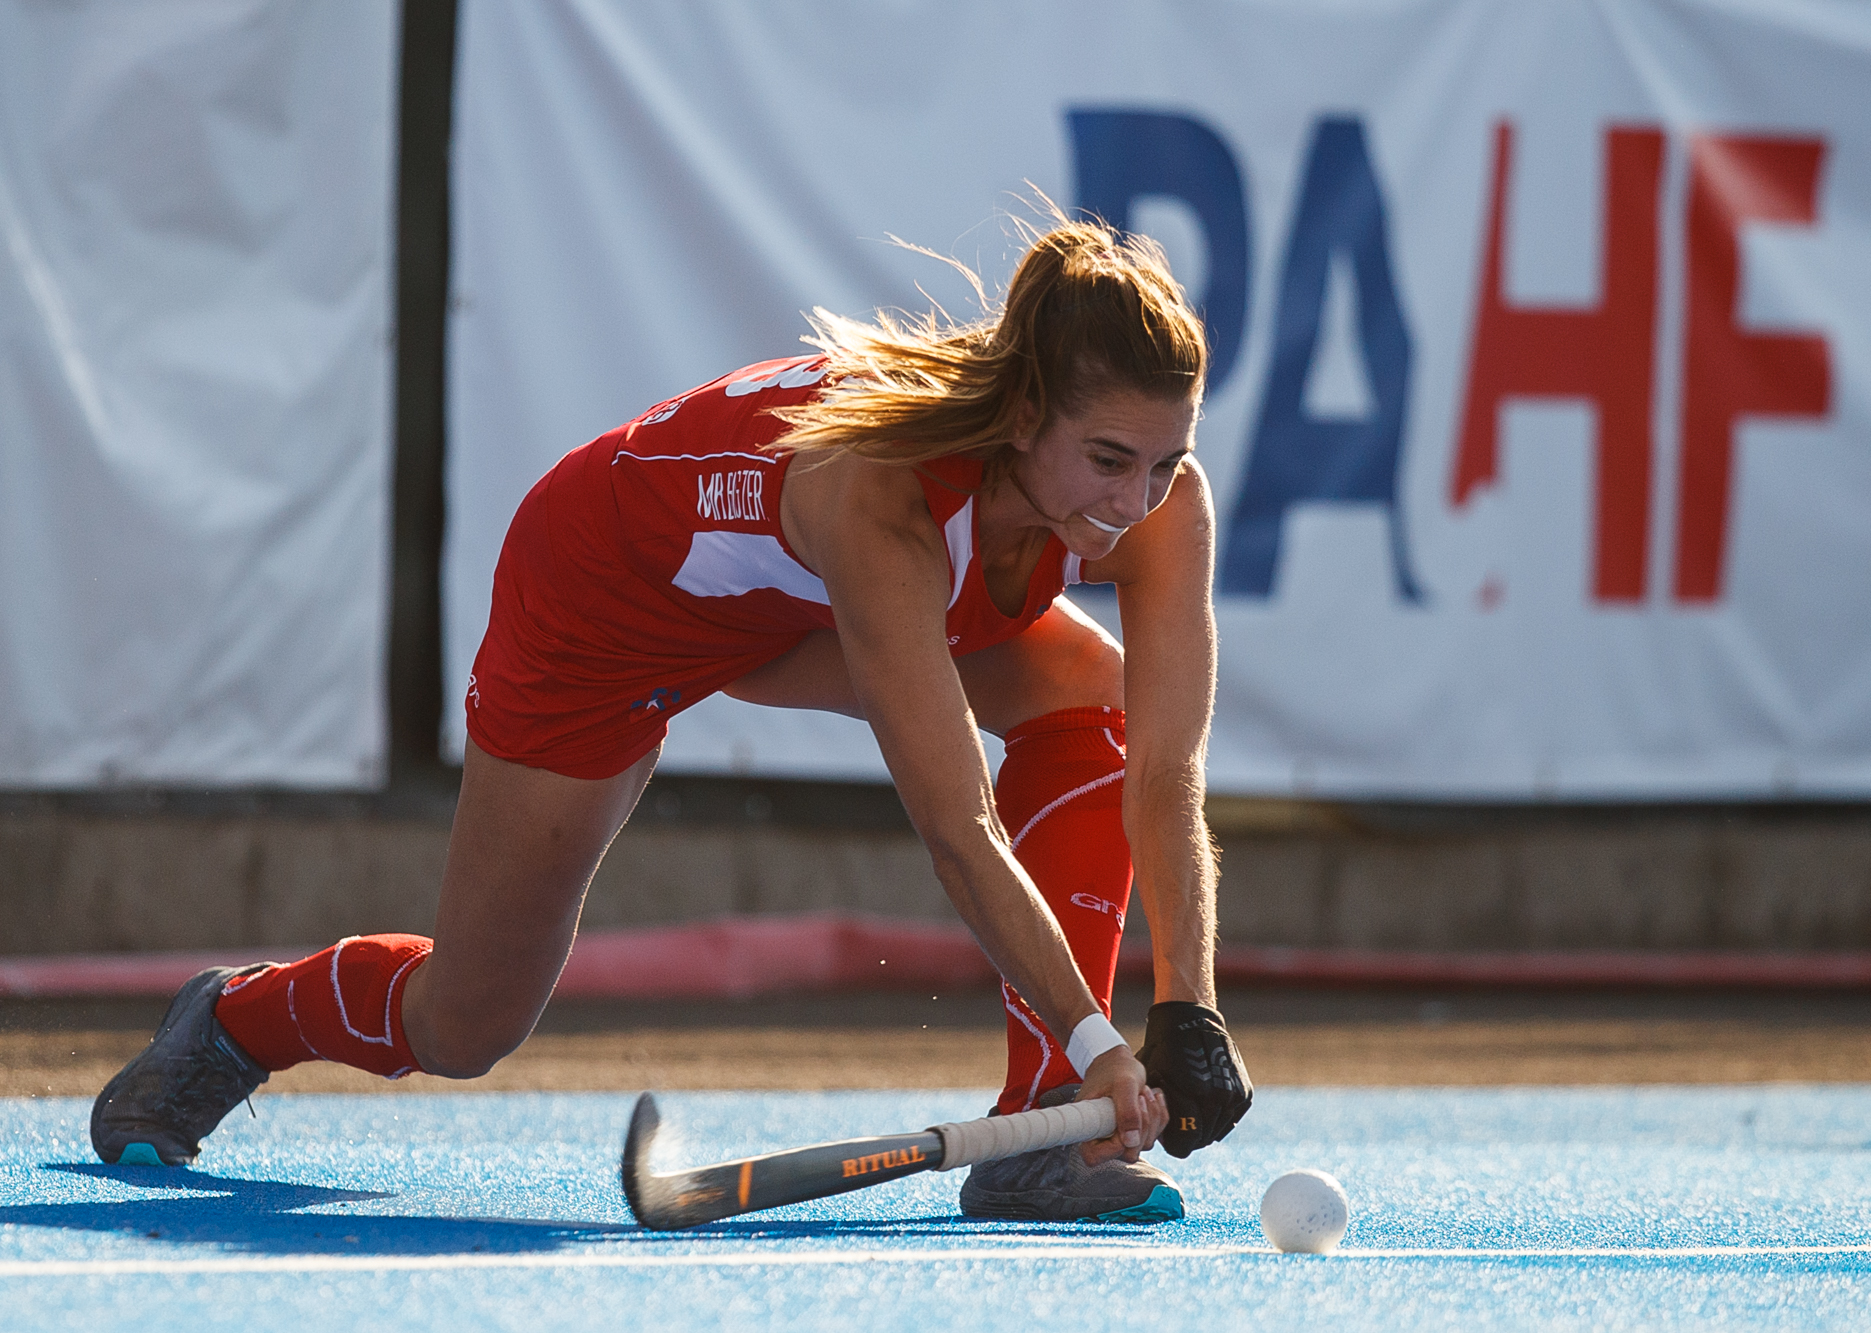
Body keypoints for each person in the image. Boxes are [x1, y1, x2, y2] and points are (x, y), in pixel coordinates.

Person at [92, 217, 1253, 1223]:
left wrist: (1186, 1009)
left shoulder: (1154, 497)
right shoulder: (878, 494)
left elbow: (1164, 768)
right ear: (1024, 413)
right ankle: (238, 1017)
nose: (1133, 503)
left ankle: (1037, 1124)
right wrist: (1104, 1043)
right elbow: (957, 827)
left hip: (776, 617)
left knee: (1094, 704)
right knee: (464, 1026)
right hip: (600, 607)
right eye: (1109, 460)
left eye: (1165, 462)